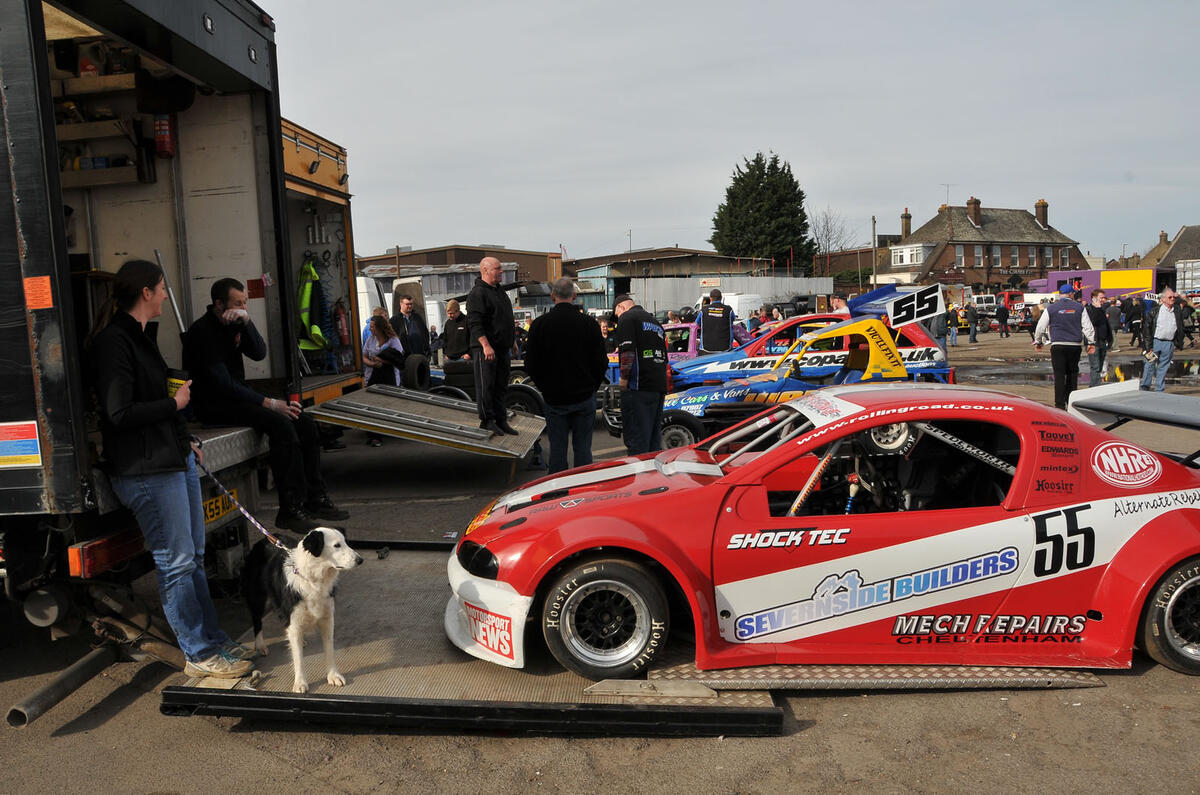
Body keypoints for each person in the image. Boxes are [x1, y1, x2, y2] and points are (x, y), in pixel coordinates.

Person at [91, 260, 253, 679]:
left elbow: (163, 398)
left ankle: (214, 641)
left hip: (171, 459)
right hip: (144, 469)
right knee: (177, 562)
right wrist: (174, 405)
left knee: (193, 558)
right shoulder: (115, 342)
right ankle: (199, 652)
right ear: (146, 292)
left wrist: (187, 442)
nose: (166, 295)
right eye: (162, 288)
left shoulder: (143, 337)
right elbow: (119, 412)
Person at [183, 278, 348, 531]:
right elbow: (223, 384)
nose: (243, 308)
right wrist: (270, 403)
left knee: (304, 422)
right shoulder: (202, 333)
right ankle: (290, 509)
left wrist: (247, 323)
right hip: (214, 404)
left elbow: (259, 352)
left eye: (245, 303)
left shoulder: (237, 322)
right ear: (219, 304)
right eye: (238, 303)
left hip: (237, 397)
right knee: (281, 426)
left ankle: (316, 499)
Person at [524, 278, 608, 474]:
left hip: (555, 399)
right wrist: (592, 387)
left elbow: (531, 364)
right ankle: (583, 491)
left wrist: (545, 387)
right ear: (575, 296)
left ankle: (558, 493)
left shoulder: (539, 325)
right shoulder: (589, 324)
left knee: (558, 452)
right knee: (583, 451)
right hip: (585, 396)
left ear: (553, 296)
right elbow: (601, 363)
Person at [467, 256, 517, 435]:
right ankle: (487, 421)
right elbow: (474, 322)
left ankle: (501, 419)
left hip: (503, 348)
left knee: (501, 386)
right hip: (486, 349)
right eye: (497, 268)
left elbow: (505, 319)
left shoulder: (499, 291)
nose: (501, 271)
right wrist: (485, 345)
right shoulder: (478, 293)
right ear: (485, 270)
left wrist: (512, 342)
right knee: (486, 386)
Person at [613, 294, 668, 455]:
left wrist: (623, 379)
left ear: (621, 308)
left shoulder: (627, 318)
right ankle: (652, 477)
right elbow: (665, 357)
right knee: (653, 441)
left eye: (617, 314)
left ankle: (639, 477)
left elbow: (627, 352)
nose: (618, 318)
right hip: (658, 386)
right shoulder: (655, 322)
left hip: (638, 387)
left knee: (637, 442)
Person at [1034, 283, 1096, 409]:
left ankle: (1059, 405)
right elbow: (1088, 327)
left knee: (1059, 374)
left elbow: (1040, 327)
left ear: (1060, 294)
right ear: (1071, 294)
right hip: (1074, 345)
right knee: (1072, 374)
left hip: (1058, 345)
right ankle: (1071, 402)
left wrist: (1038, 341)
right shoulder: (1079, 308)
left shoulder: (1051, 308)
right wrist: (1091, 342)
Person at [362, 315, 405, 447]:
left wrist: (383, 360)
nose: (371, 329)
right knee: (371, 405)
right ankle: (374, 435)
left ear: (380, 327)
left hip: (388, 376)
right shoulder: (370, 340)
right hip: (372, 375)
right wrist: (371, 363)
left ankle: (383, 431)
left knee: (385, 405)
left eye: (373, 327)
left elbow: (399, 359)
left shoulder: (393, 341)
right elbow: (363, 356)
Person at [1140, 287, 1185, 392]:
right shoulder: (1155, 311)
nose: (1173, 299)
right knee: (1149, 364)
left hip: (1169, 343)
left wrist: (1178, 342)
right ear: (1163, 299)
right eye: (1170, 297)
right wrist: (1148, 346)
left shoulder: (1177, 311)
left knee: (1163, 367)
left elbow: (1180, 327)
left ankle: (1159, 389)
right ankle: (1145, 387)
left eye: (1174, 297)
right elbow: (1146, 329)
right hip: (1155, 342)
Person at [1084, 289, 1112, 387]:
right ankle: (1094, 388)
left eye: (1104, 298)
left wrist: (1110, 339)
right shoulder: (1089, 309)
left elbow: (1105, 325)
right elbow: (1093, 322)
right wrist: (1097, 308)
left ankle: (1094, 386)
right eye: (1101, 298)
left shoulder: (1102, 309)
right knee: (1095, 367)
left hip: (1102, 341)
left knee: (1099, 367)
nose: (1103, 300)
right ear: (1094, 299)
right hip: (1093, 342)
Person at [389, 295, 429, 360]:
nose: (410, 306)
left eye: (411, 304)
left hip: (419, 354)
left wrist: (426, 349)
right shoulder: (394, 320)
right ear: (401, 304)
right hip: (403, 356)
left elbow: (425, 333)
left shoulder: (417, 317)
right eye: (407, 304)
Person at [699, 288, 736, 354]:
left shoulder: (703, 310)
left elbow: (696, 324)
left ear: (710, 298)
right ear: (721, 298)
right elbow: (733, 319)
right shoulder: (728, 310)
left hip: (706, 349)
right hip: (725, 349)